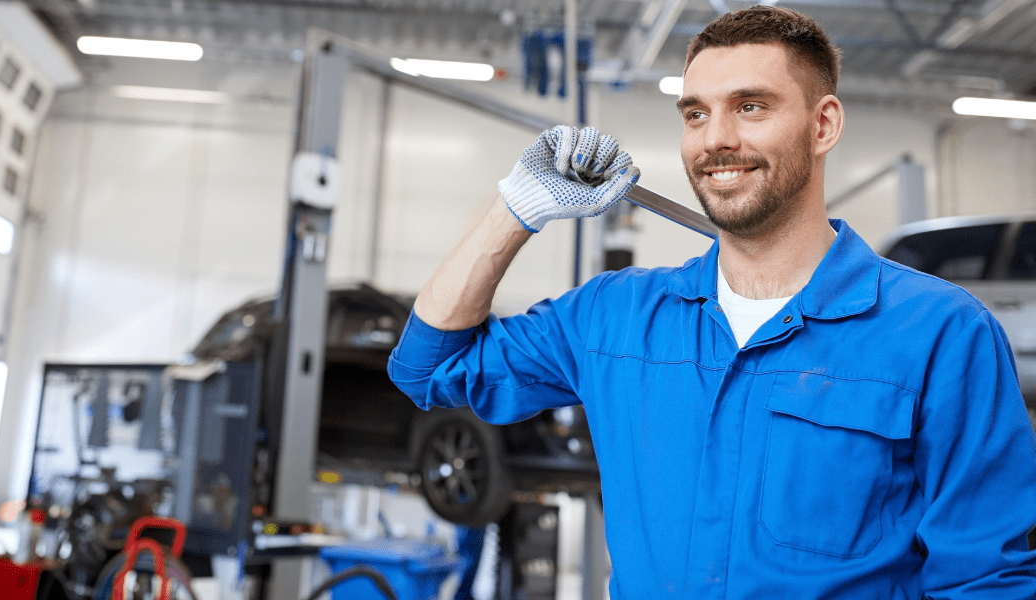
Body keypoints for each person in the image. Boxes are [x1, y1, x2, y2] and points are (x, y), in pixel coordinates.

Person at [388, 5, 1036, 599]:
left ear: (824, 124)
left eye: (750, 106)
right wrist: (516, 207)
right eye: (696, 113)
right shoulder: (616, 319)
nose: (714, 139)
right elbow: (428, 368)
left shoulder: (942, 335)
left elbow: (985, 580)